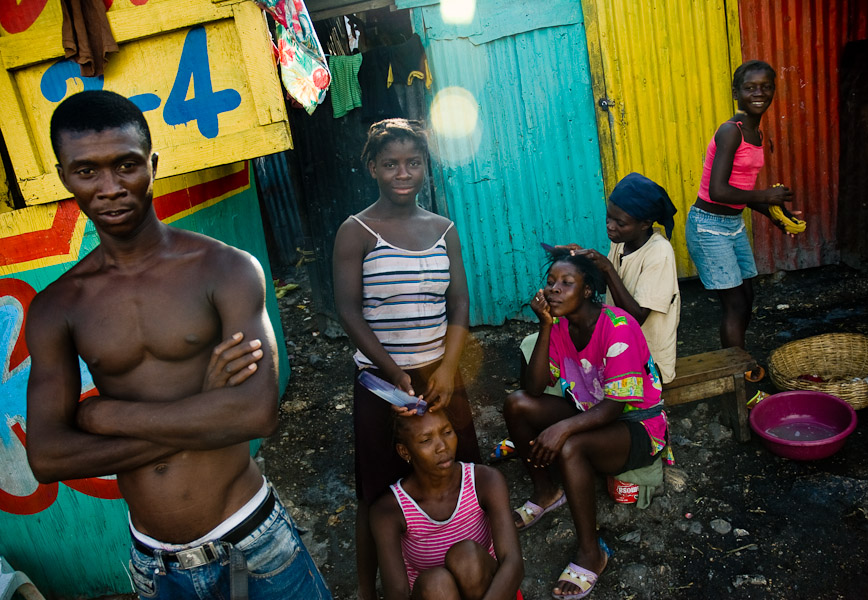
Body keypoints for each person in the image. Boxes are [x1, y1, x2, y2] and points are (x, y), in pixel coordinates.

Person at [25, 90, 331, 600]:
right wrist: (207, 411)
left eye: (125, 165)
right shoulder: (59, 306)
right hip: (155, 565)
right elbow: (50, 457)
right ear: (64, 177)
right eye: (87, 172)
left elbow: (257, 415)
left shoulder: (225, 268)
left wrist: (107, 417)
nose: (110, 188)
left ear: (153, 164)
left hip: (252, 539)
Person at [333, 118, 482, 600]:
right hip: (381, 380)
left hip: (441, 373)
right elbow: (349, 311)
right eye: (392, 163)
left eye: (413, 162)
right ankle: (368, 589)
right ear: (372, 167)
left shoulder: (443, 229)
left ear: (425, 167)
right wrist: (394, 372)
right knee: (377, 487)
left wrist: (445, 367)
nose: (404, 172)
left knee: (457, 472)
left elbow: (458, 303)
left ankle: (467, 567)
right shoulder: (355, 231)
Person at [503, 251, 667, 600]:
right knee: (517, 403)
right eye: (550, 283)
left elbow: (614, 406)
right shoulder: (560, 325)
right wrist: (545, 326)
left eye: (566, 283)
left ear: (589, 290)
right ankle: (547, 493)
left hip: (635, 425)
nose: (553, 291)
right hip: (591, 411)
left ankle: (592, 552)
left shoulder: (617, 325)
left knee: (570, 445)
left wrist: (563, 428)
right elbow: (533, 387)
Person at [685, 60, 800, 381]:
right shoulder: (730, 132)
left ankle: (738, 359)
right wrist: (766, 197)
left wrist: (777, 216)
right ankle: (738, 376)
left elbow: (743, 192)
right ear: (737, 93)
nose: (758, 93)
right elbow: (718, 190)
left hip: (732, 226)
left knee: (747, 297)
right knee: (735, 304)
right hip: (708, 226)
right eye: (750, 88)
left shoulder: (756, 134)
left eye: (765, 86)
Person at [370, 409, 524, 599]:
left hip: (490, 591)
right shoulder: (389, 510)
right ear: (404, 451)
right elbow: (398, 594)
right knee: (435, 583)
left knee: (466, 556)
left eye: (447, 432)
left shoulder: (484, 481)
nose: (442, 446)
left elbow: (513, 562)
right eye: (426, 440)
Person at [554, 172, 680, 384]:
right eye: (608, 218)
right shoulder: (621, 242)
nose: (610, 226)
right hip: (618, 346)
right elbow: (605, 287)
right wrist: (581, 262)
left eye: (620, 223)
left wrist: (608, 268)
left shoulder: (659, 253)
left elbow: (637, 317)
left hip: (649, 363)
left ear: (644, 224)